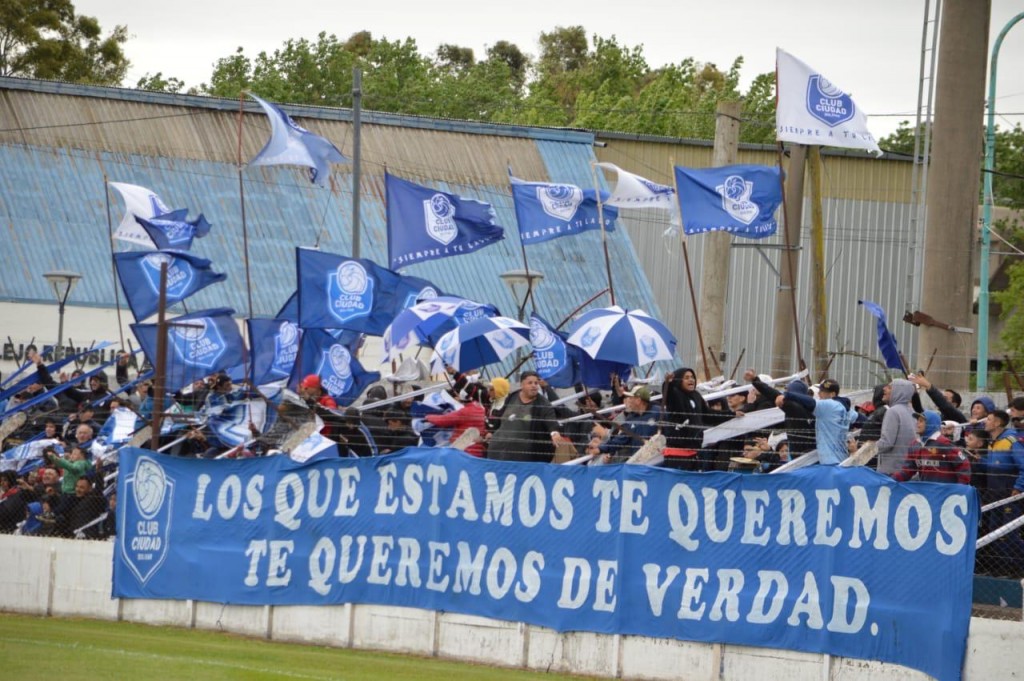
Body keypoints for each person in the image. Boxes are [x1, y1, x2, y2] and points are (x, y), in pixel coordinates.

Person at [777, 378, 856, 465]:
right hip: (839, 458)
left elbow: (811, 403)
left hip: (830, 462)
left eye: (822, 391)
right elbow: (859, 419)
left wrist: (788, 395)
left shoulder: (826, 407)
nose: (819, 394)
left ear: (832, 394)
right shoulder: (844, 409)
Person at [486, 371, 558, 463]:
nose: (534, 385)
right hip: (498, 451)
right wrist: (491, 432)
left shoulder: (543, 404)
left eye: (536, 383)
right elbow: (501, 416)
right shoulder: (512, 397)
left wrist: (554, 432)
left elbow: (550, 420)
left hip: (523, 458)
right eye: (530, 383)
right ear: (521, 385)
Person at [747, 371, 816, 457]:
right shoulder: (798, 407)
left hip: (804, 458)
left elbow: (775, 396)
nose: (784, 394)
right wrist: (755, 380)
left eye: (788, 391)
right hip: (801, 455)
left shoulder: (797, 409)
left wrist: (756, 381)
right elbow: (774, 394)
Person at [892, 411, 970, 484]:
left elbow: (964, 464)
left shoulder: (944, 443)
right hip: (927, 493)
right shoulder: (915, 444)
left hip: (945, 494)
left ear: (931, 423)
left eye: (921, 421)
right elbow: (907, 471)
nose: (917, 423)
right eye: (917, 420)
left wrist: (960, 488)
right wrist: (891, 481)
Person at [589, 386, 662, 463]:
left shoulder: (659, 412)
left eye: (631, 398)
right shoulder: (631, 418)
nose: (628, 401)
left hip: (659, 459)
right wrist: (601, 449)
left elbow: (669, 434)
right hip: (640, 461)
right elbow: (621, 439)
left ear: (638, 400)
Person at [660, 368, 714, 469]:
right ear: (679, 380)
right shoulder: (675, 394)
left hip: (694, 452)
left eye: (692, 377)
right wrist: (668, 383)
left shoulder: (696, 395)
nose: (691, 380)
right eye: (686, 378)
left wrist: (731, 414)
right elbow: (668, 393)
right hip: (677, 455)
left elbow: (708, 415)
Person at [425, 382, 487, 456]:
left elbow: (444, 420)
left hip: (464, 450)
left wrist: (428, 417)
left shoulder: (465, 411)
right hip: (477, 450)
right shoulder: (481, 408)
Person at [874, 379, 918, 474]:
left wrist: (866, 449)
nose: (884, 389)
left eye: (889, 387)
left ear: (899, 392)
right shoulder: (912, 412)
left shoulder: (893, 411)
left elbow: (886, 443)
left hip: (891, 471)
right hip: (906, 471)